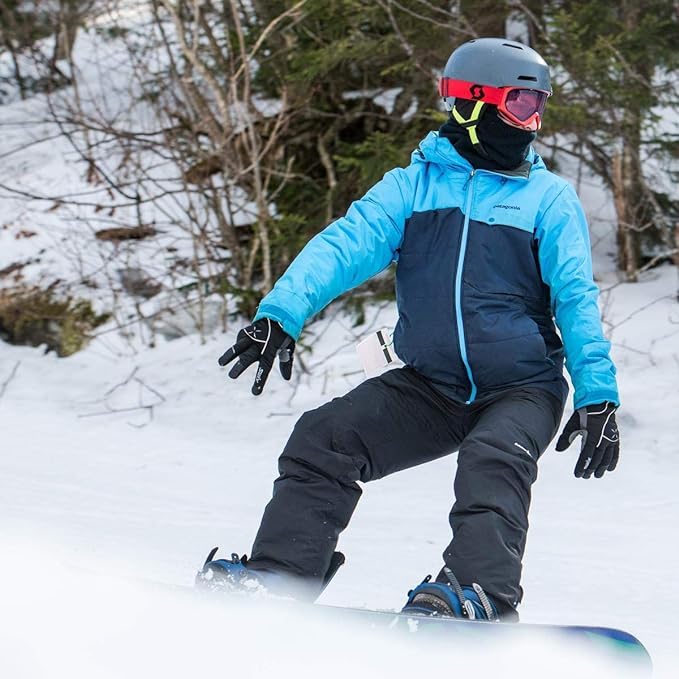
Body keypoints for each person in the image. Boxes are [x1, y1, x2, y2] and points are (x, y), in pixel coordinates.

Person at [198, 37, 621, 622]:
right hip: (431, 386)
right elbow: (343, 246)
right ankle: (282, 576)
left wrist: (597, 395)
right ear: (473, 103)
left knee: (492, 460)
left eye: (540, 106)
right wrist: (280, 313)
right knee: (326, 437)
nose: (534, 122)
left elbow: (576, 300)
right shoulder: (411, 189)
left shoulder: (548, 200)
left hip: (522, 388)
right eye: (523, 104)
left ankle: (479, 597)